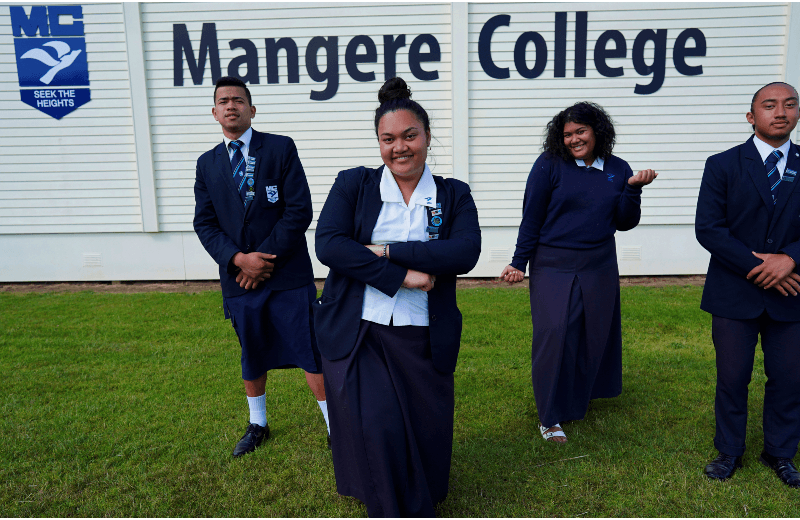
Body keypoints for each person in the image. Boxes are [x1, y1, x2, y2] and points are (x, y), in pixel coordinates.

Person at [313, 76, 481, 517]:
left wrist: (385, 250)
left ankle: (418, 491)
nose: (399, 147)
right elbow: (330, 245)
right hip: (359, 328)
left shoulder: (453, 193)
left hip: (423, 331)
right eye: (388, 139)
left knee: (426, 427)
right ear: (379, 143)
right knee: (379, 425)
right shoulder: (354, 184)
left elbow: (464, 252)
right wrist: (401, 274)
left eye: (410, 136)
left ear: (427, 137)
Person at [695, 82, 800, 488]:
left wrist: (790, 259)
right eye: (769, 105)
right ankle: (729, 451)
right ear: (751, 116)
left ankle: (780, 453)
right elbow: (709, 228)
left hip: (791, 292)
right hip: (734, 291)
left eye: (789, 105)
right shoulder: (722, 164)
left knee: (789, 378)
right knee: (732, 376)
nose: (781, 112)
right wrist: (761, 265)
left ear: (798, 113)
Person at [500, 102, 657, 443]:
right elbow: (532, 217)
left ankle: (578, 398)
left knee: (592, 333)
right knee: (554, 334)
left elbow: (625, 222)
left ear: (597, 132)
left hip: (599, 263)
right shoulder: (549, 165)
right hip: (553, 264)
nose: (573, 139)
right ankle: (549, 416)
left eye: (580, 131)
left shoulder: (617, 168)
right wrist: (518, 261)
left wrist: (633, 189)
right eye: (567, 134)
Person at [193, 76, 330, 458]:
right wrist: (239, 260)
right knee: (251, 353)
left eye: (238, 99)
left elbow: (299, 209)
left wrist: (262, 260)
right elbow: (204, 223)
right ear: (215, 112)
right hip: (239, 280)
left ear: (252, 110)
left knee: (310, 350)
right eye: (223, 101)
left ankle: (336, 426)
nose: (231, 105)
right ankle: (258, 425)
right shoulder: (207, 165)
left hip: (286, 275)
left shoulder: (280, 148)